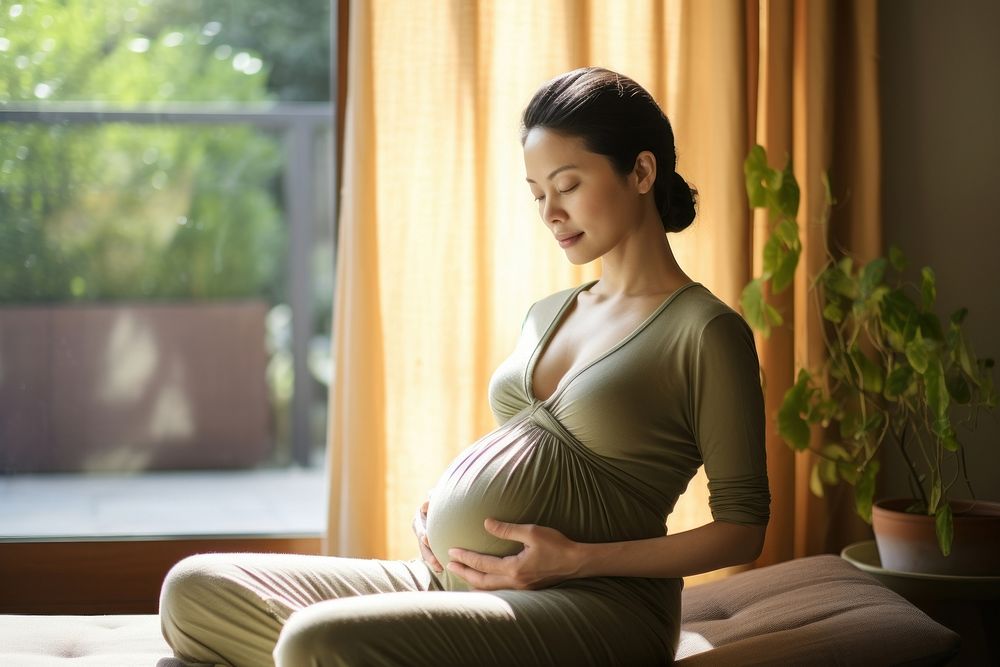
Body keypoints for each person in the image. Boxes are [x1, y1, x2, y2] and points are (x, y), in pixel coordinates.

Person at [159, 66, 769, 667]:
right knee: (195, 589)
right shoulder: (549, 311)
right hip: (464, 585)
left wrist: (577, 559)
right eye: (537, 194)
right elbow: (528, 452)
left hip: (596, 603)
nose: (550, 212)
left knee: (314, 642)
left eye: (568, 184)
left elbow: (742, 528)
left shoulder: (706, 331)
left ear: (640, 171)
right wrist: (445, 505)